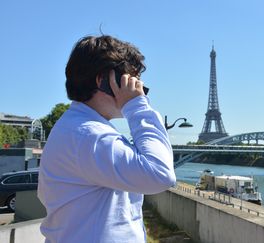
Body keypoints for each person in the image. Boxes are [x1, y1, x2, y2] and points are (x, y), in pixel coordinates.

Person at [37, 35, 176, 243]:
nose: (140, 91)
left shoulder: (81, 129)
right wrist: (137, 107)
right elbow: (160, 174)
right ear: (103, 81)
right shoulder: (88, 135)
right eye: (132, 82)